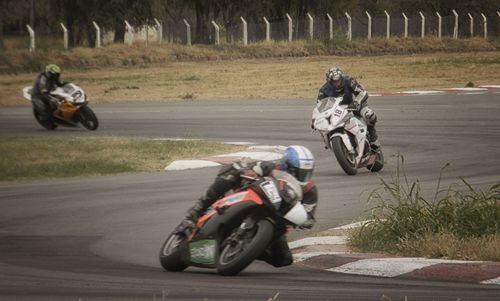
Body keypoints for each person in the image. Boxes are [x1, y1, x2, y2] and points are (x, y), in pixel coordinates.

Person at [184, 145, 318, 268]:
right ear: (285, 165)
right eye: (297, 172)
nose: (300, 177)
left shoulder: (309, 190)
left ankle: (251, 249)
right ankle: (199, 208)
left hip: (277, 221)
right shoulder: (271, 167)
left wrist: (305, 221)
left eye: (305, 173)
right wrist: (247, 172)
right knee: (231, 174)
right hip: (252, 198)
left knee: (284, 259)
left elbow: (309, 214)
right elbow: (250, 168)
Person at [317, 66, 379, 148]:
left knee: (369, 115)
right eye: (334, 82)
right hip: (337, 111)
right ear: (329, 82)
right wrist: (317, 118)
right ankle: (328, 142)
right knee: (321, 124)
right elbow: (319, 106)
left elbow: (362, 92)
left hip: (354, 105)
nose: (337, 83)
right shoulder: (323, 90)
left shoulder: (349, 81)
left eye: (339, 80)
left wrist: (356, 102)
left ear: (342, 78)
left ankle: (373, 138)